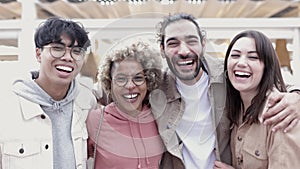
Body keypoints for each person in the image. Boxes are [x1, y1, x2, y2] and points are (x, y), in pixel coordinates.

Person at [149, 13, 300, 169]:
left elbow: (270, 84)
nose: (183, 50)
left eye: (191, 41)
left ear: (203, 44)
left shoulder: (227, 74)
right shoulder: (154, 88)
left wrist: (296, 97)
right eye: (173, 43)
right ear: (162, 49)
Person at [0, 17, 96, 169]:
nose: (67, 57)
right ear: (38, 54)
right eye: (58, 48)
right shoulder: (6, 108)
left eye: (77, 51)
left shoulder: (86, 103)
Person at [214, 30, 300, 169]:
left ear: (267, 67)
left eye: (253, 57)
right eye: (235, 55)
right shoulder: (235, 110)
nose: (241, 63)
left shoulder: (280, 115)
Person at [86, 39, 164, 169]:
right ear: (110, 82)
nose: (130, 86)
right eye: (121, 79)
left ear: (148, 80)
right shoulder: (95, 121)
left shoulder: (159, 117)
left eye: (138, 78)